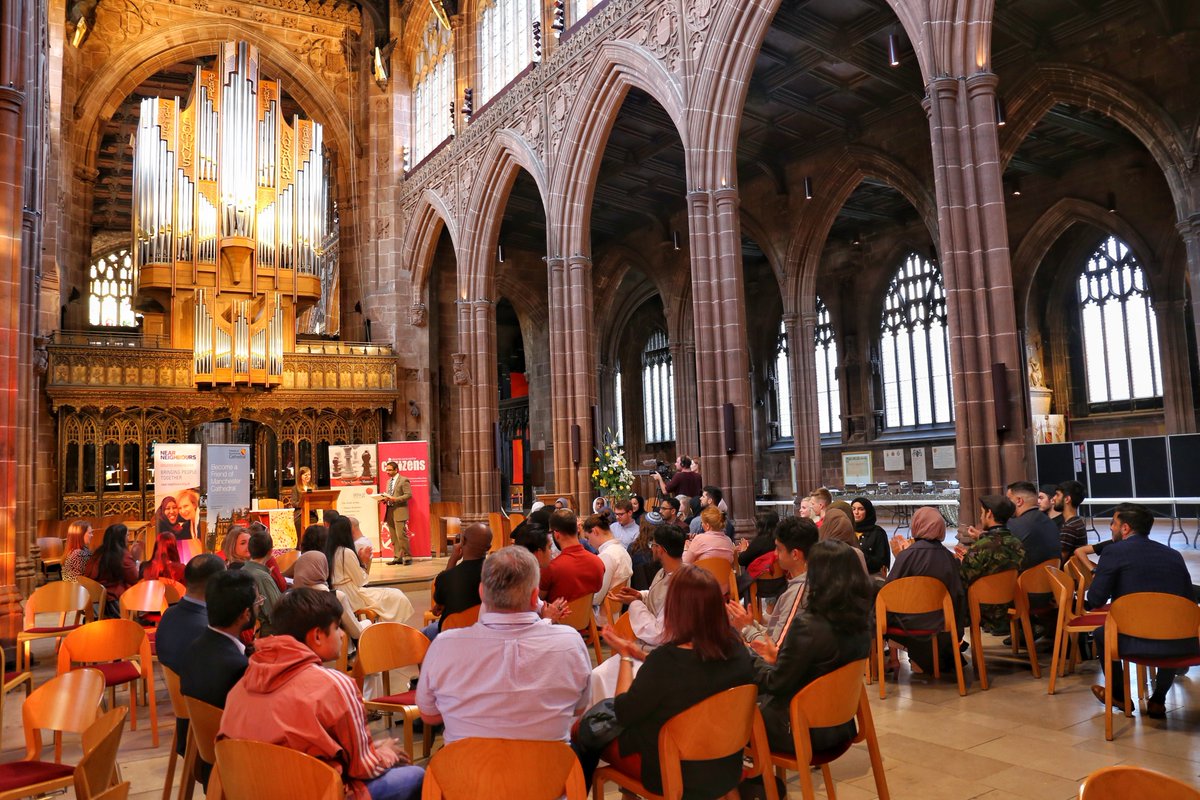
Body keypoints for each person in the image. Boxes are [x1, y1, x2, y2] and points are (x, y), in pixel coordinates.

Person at [219, 588, 424, 800]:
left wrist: (370, 752)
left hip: (253, 790)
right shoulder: (336, 685)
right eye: (337, 627)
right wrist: (387, 753)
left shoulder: (241, 686)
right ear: (317, 635)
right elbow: (363, 769)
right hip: (314, 791)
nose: (342, 634)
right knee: (415, 775)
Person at [596, 565, 753, 798]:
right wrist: (643, 657)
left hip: (672, 771)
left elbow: (624, 712)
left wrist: (627, 657)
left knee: (591, 728)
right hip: (726, 763)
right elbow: (695, 674)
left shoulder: (666, 662)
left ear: (674, 609)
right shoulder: (738, 650)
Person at [417, 546, 591, 744]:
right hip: (548, 770)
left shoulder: (444, 645)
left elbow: (429, 715)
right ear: (535, 597)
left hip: (469, 770)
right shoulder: (570, 642)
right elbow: (579, 708)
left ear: (482, 592)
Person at [749, 540, 872, 755]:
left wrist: (746, 657)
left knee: (730, 716)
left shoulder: (808, 625)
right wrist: (777, 658)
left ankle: (757, 781)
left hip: (799, 729)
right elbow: (820, 667)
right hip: (840, 726)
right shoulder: (862, 621)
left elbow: (775, 683)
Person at [1086, 503, 1199, 719]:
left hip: (1134, 643)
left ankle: (1119, 695)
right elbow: (1189, 601)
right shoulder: (1174, 555)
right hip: (1183, 644)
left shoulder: (1113, 552)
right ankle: (1158, 699)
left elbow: (1095, 599)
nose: (1111, 528)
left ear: (1125, 528)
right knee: (1171, 624)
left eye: (1113, 523)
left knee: (1102, 633)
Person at [882, 507, 967, 675]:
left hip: (908, 621)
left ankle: (893, 660)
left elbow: (888, 591)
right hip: (941, 620)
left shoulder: (907, 555)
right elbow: (958, 593)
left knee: (881, 612)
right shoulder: (948, 557)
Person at [728, 515, 818, 647]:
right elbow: (777, 633)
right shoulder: (810, 579)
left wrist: (746, 628)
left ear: (795, 554)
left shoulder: (798, 591)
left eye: (779, 549)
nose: (775, 554)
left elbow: (775, 650)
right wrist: (751, 623)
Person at [326, 516, 414, 623]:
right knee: (396, 595)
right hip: (352, 595)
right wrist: (363, 562)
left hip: (340, 592)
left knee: (392, 595)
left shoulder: (330, 551)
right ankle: (390, 629)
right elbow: (361, 581)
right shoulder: (346, 552)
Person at [957, 495, 1024, 634]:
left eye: (982, 512)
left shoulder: (980, 548)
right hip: (1012, 604)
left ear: (989, 513)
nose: (981, 517)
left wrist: (962, 561)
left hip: (985, 609)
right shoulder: (1018, 543)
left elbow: (963, 580)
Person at [421, 522, 490, 640]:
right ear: (489, 548)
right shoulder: (498, 573)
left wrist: (452, 560)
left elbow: (439, 603)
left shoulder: (446, 578)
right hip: (487, 633)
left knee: (424, 633)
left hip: (451, 636)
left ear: (462, 541)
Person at [540, 509, 604, 604]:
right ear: (577, 529)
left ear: (556, 535)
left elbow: (538, 600)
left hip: (559, 618)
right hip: (588, 618)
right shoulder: (598, 562)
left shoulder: (550, 568)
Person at [583, 513, 633, 614]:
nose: (588, 543)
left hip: (602, 617)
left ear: (595, 531)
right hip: (616, 614)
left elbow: (596, 599)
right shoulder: (623, 550)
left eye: (588, 538)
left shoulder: (607, 556)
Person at [1005, 481, 1060, 570]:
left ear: (1019, 501)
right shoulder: (1050, 521)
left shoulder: (1015, 524)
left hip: (1026, 580)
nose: (1006, 504)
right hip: (1052, 579)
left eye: (1008, 499)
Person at [84, 523, 139, 610]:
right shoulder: (123, 556)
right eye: (127, 535)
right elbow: (135, 579)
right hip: (113, 603)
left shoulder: (97, 553)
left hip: (92, 602)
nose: (128, 539)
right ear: (121, 538)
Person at [243, 528, 283, 632]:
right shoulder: (262, 577)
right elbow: (276, 614)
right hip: (266, 633)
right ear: (270, 551)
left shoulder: (243, 569)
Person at [735, 510, 782, 599]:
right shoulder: (782, 540)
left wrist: (744, 550)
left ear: (760, 525)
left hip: (760, 585)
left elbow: (742, 561)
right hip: (780, 583)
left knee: (739, 582)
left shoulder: (760, 541)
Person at [380, 460, 412, 565]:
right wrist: (384, 499)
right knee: (393, 536)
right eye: (386, 470)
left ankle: (407, 557)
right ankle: (397, 557)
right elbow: (389, 496)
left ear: (396, 470)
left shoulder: (404, 480)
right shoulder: (388, 481)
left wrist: (395, 499)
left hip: (399, 511)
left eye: (389, 470)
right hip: (389, 510)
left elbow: (408, 495)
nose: (387, 472)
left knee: (401, 535)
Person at [851, 497, 890, 577]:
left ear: (868, 512)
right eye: (853, 509)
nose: (856, 512)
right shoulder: (847, 530)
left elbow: (881, 560)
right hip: (850, 577)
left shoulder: (877, 532)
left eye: (861, 509)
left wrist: (860, 556)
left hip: (872, 576)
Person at [1055, 480, 1088, 566]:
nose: (1054, 498)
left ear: (1067, 499)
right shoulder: (1077, 521)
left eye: (1057, 495)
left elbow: (1059, 562)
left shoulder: (1070, 528)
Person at [626, 513, 662, 591]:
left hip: (635, 593)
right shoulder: (664, 549)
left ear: (642, 528)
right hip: (657, 592)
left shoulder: (633, 548)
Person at [288, 466, 315, 532]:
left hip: (312, 514)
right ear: (300, 476)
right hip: (300, 515)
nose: (308, 477)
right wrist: (303, 504)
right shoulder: (295, 488)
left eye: (309, 475)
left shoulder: (314, 487)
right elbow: (294, 503)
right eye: (305, 475)